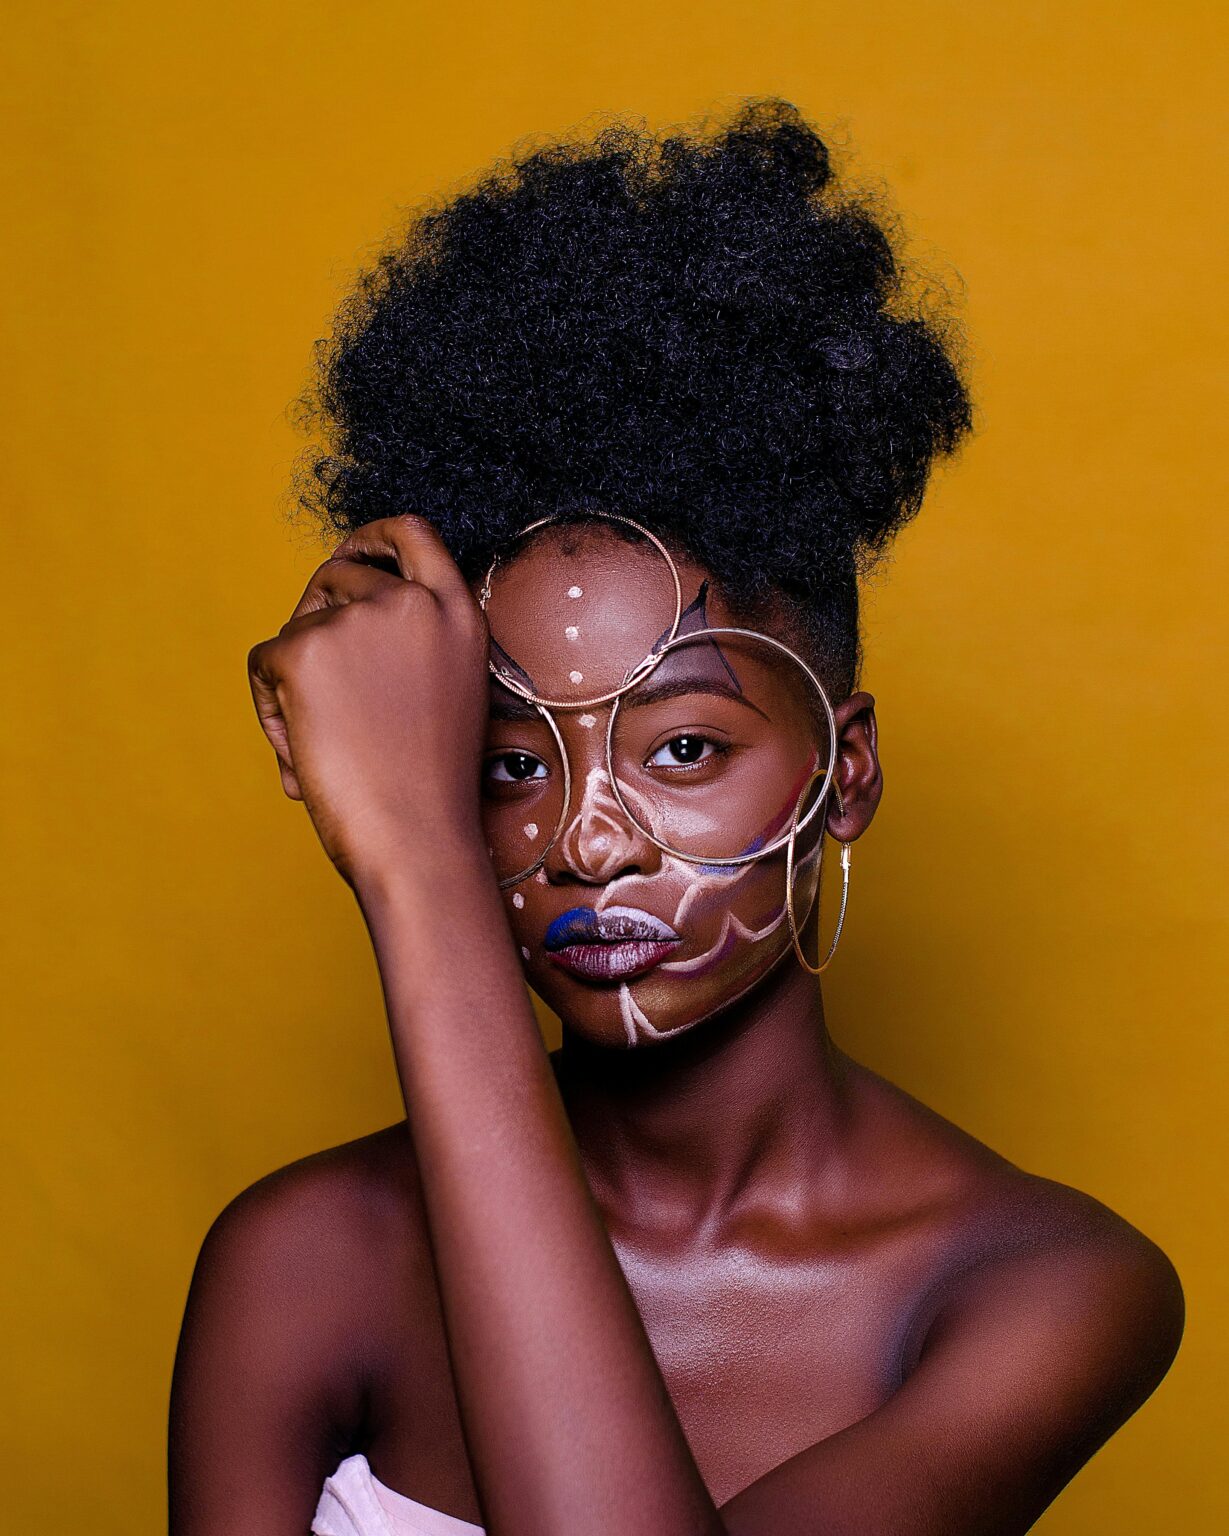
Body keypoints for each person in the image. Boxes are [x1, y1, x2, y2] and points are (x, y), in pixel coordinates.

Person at [167, 100, 1184, 1536]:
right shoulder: (303, 1262)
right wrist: (418, 850)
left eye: (686, 745)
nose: (589, 843)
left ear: (844, 773)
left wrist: (422, 871)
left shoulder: (1038, 1288)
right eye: (506, 766)